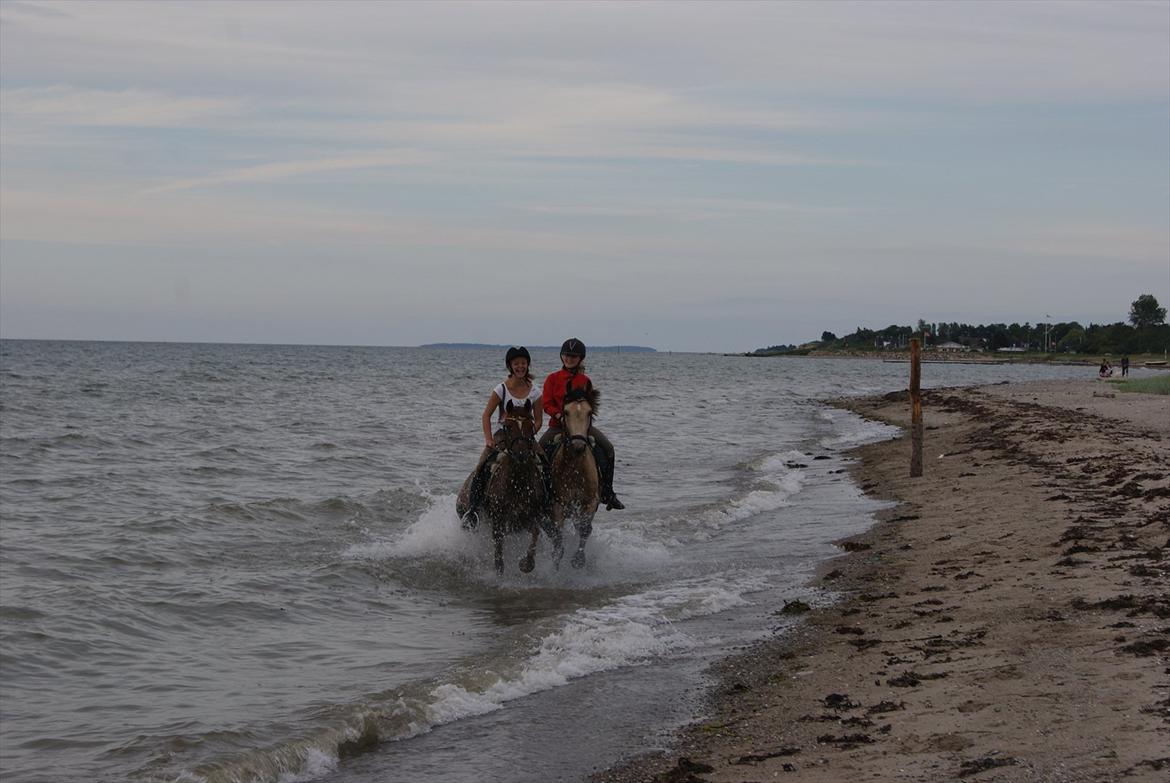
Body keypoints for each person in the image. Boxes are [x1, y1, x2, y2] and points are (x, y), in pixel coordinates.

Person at [461, 346, 543, 528]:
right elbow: (486, 415)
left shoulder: (535, 391)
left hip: (526, 438)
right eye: (516, 364)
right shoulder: (501, 389)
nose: (520, 367)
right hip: (502, 436)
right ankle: (473, 509)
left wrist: (527, 435)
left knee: (544, 463)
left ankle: (545, 509)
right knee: (483, 466)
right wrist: (489, 439)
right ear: (510, 366)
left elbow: (538, 420)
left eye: (523, 363)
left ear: (528, 365)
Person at [539, 337, 625, 510]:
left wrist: (583, 420)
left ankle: (608, 492)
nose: (569, 359)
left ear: (580, 359)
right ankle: (542, 495)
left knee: (608, 448)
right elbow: (546, 403)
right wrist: (559, 415)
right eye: (566, 355)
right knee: (539, 452)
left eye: (573, 356)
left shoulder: (585, 381)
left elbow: (590, 407)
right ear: (561, 356)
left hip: (583, 428)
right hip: (557, 426)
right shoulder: (552, 379)